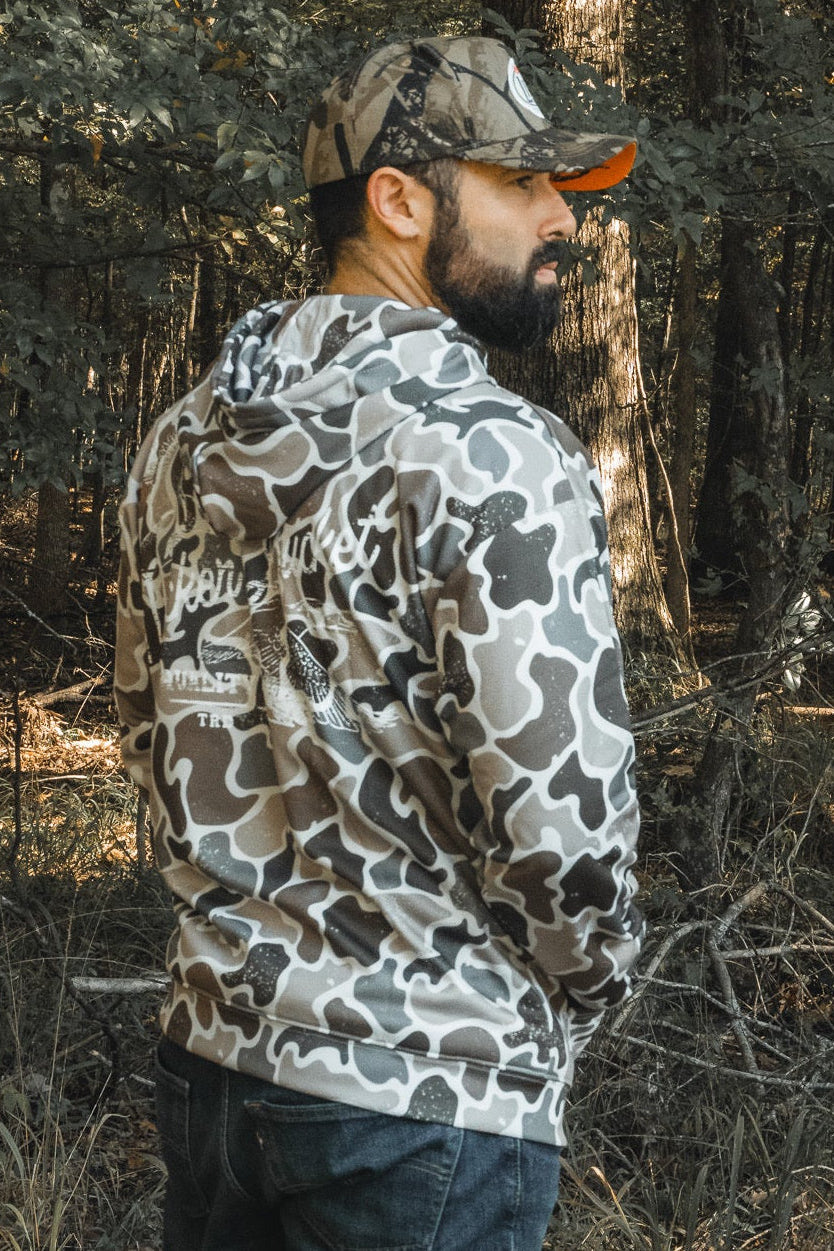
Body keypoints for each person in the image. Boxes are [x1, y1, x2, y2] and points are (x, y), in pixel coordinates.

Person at [115, 34, 643, 1251]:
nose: (561, 217)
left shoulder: (182, 441)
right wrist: (590, 987)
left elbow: (150, 741)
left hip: (214, 1065)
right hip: (428, 1097)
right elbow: (562, 837)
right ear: (399, 201)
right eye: (522, 183)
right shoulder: (493, 452)